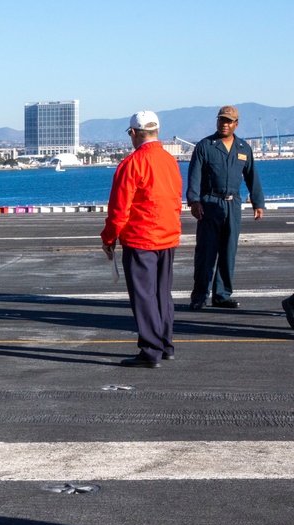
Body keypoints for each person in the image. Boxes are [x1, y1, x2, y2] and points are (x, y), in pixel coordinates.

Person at [101, 111, 182, 369]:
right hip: (168, 235)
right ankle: (165, 344)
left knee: (143, 297)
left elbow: (119, 209)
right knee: (162, 294)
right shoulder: (170, 160)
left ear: (134, 133)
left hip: (141, 238)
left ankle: (150, 350)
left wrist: (109, 237)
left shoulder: (132, 163)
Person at [187, 105, 264, 310]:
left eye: (229, 121)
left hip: (233, 205)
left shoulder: (243, 148)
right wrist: (194, 201)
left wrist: (258, 202)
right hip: (210, 203)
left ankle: (222, 295)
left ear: (236, 124)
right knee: (206, 251)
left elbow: (251, 176)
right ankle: (200, 295)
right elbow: (194, 176)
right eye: (221, 120)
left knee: (228, 251)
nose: (224, 124)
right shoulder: (205, 146)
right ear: (217, 121)